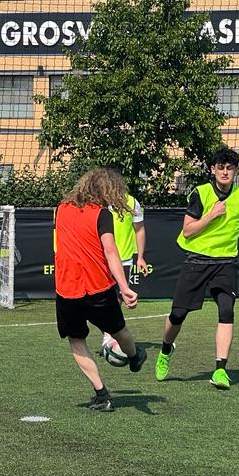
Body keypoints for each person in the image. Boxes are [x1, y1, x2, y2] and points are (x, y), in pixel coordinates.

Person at [157, 146, 239, 389]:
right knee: (178, 314)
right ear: (212, 170)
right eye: (221, 168)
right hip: (197, 259)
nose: (225, 172)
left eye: (230, 168)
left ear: (235, 171)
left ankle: (220, 370)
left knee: (227, 311)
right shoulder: (201, 193)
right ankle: (165, 350)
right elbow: (188, 230)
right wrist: (212, 214)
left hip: (226, 263)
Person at [54, 168, 147, 412]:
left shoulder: (61, 209)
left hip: (67, 289)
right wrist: (124, 287)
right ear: (108, 191)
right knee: (118, 329)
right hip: (97, 286)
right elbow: (110, 250)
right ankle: (135, 356)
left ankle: (102, 394)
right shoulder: (102, 214)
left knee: (76, 340)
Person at [102, 181, 149, 342]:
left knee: (117, 298)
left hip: (124, 260)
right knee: (103, 299)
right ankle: (108, 335)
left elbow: (139, 229)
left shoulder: (132, 202)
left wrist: (140, 257)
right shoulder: (99, 202)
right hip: (101, 259)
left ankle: (108, 337)